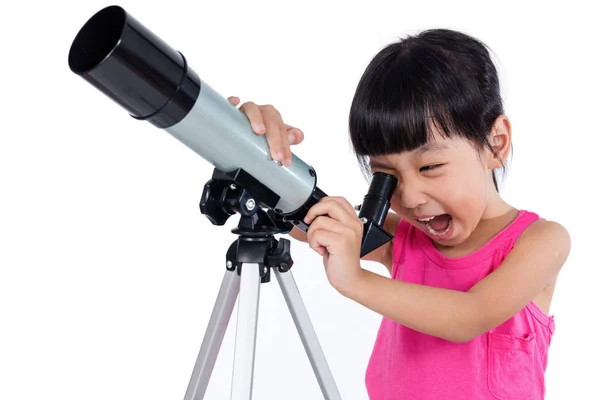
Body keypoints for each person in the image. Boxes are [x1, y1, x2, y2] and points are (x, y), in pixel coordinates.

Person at [227, 28, 570, 399]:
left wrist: (354, 280)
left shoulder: (540, 241)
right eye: (386, 177)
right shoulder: (404, 238)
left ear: (496, 143)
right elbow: (306, 218)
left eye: (430, 167)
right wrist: (249, 152)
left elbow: (470, 316)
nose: (410, 196)